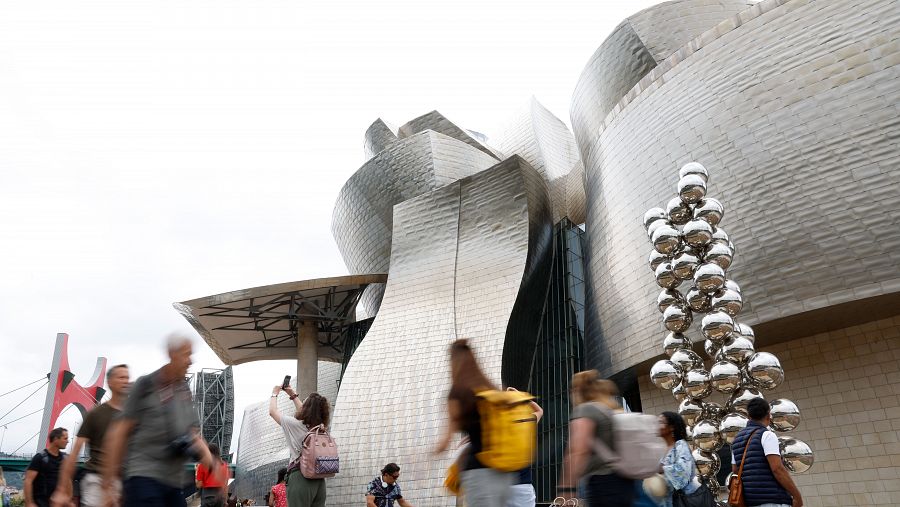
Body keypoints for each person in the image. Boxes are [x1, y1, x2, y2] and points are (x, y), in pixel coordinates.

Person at [102, 334, 221, 507]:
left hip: (172, 482)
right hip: (144, 477)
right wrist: (109, 483)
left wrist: (209, 458)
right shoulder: (146, 384)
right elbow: (120, 431)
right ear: (172, 354)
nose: (190, 361)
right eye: (186, 354)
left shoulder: (184, 391)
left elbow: (192, 433)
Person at [434, 339, 513, 507]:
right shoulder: (491, 388)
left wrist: (431, 453)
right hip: (504, 471)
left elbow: (445, 441)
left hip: (478, 471)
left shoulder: (458, 392)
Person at [51, 364, 130, 507]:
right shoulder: (95, 414)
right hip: (96, 480)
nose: (125, 381)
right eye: (121, 377)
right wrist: (61, 490)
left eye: (127, 378)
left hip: (124, 481)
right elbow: (74, 454)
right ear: (110, 382)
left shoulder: (132, 416)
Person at [556, 370, 633, 507]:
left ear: (577, 390)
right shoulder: (609, 410)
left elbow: (578, 451)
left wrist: (566, 489)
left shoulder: (586, 410)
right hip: (624, 481)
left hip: (602, 482)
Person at [731, 398, 803, 507]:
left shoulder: (736, 440)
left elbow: (735, 470)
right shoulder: (767, 435)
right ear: (768, 415)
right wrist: (797, 496)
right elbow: (777, 469)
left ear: (749, 416)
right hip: (774, 499)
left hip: (749, 501)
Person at [268, 384, 330, 507]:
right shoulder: (321, 428)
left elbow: (272, 412)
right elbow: (309, 412)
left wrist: (274, 393)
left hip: (300, 477)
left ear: (306, 408)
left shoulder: (294, 424)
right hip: (319, 480)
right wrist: (293, 395)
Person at [506, 387, 542, 507]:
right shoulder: (526, 422)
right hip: (523, 485)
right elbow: (539, 410)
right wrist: (522, 398)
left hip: (502, 486)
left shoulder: (498, 425)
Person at [658, 411, 701, 507]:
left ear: (671, 427)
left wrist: (663, 469)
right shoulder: (663, 449)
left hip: (683, 501)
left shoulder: (680, 445)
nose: (656, 425)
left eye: (660, 422)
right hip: (667, 501)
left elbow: (684, 472)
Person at [24, 427, 69, 507]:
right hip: (41, 503)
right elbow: (28, 481)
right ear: (56, 439)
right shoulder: (40, 458)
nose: (68, 441)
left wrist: (69, 499)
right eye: (65, 438)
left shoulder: (64, 458)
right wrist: (29, 503)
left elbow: (68, 480)